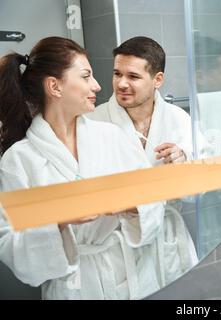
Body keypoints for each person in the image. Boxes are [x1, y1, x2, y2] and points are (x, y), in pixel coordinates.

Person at [0, 37, 166, 300]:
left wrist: (130, 206)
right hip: (73, 288)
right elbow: (13, 251)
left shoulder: (113, 136)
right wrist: (61, 220)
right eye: (86, 76)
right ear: (55, 86)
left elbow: (155, 198)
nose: (97, 86)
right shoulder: (18, 161)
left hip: (130, 276)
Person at [87, 36, 199, 284]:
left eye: (133, 77)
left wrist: (184, 159)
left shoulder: (178, 119)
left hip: (167, 238)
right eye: (117, 74)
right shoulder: (93, 121)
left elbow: (201, 184)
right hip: (118, 245)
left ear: (157, 80)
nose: (121, 83)